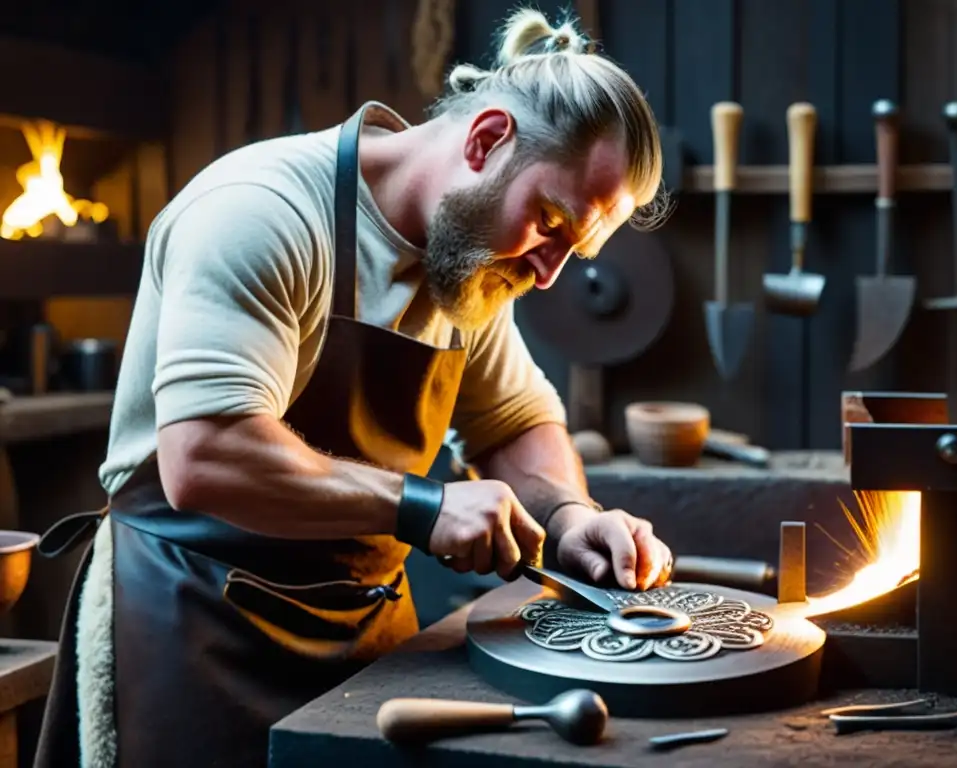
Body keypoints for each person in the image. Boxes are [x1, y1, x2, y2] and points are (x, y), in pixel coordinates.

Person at [34, 8, 676, 768]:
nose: (549, 274)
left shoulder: (471, 264)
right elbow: (205, 455)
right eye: (549, 223)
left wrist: (571, 516)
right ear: (485, 140)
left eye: (577, 248)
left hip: (365, 632)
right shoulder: (261, 211)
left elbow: (512, 422)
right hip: (194, 621)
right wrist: (423, 505)